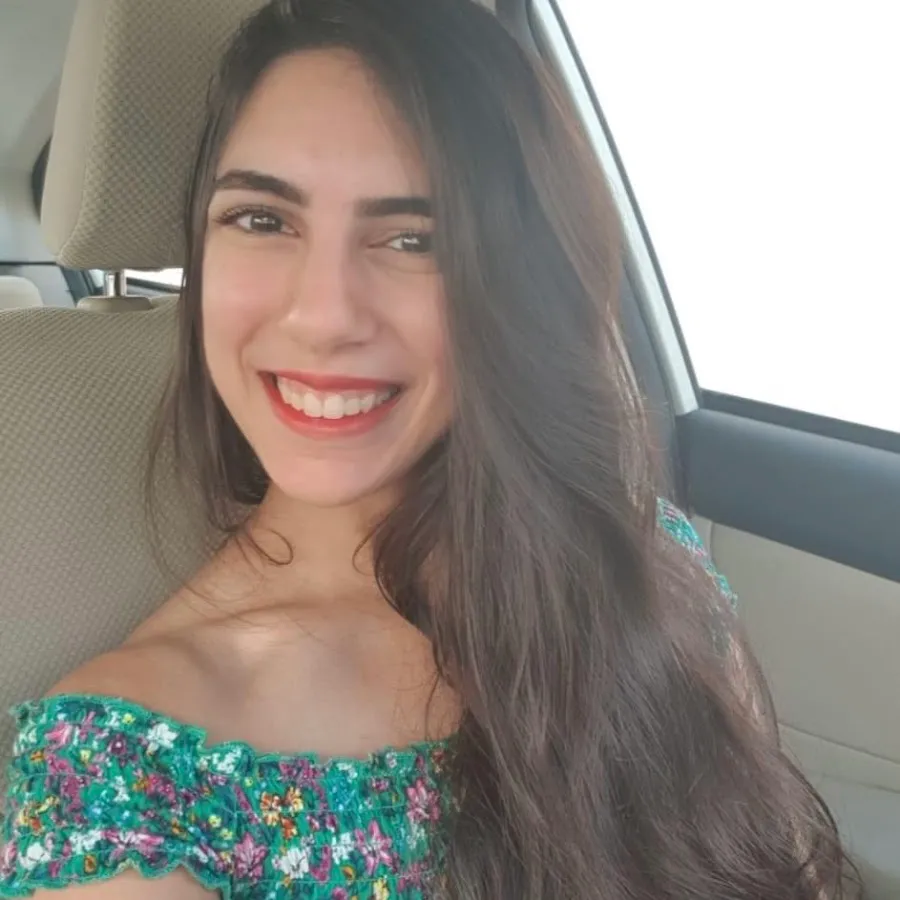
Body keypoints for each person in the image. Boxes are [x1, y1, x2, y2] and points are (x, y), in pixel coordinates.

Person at [0, 0, 857, 897]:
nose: (323, 315)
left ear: (510, 285)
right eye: (262, 219)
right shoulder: (121, 779)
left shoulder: (643, 563)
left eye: (415, 238)